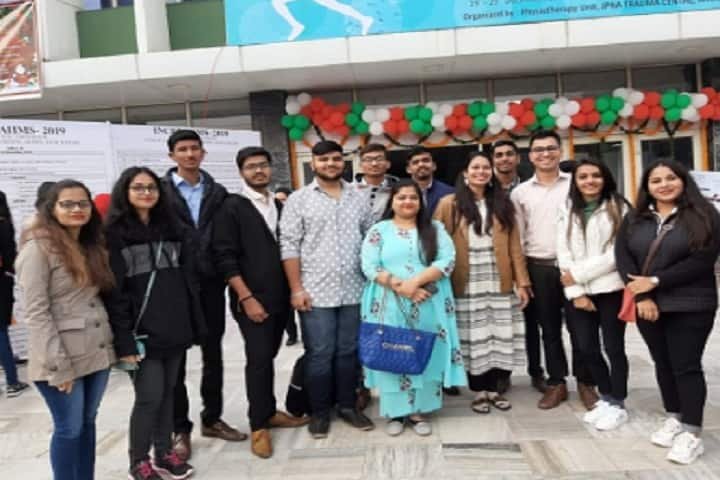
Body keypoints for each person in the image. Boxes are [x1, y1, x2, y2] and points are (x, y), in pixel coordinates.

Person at [615, 159, 720, 465]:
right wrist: (643, 294)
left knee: (685, 365)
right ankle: (674, 416)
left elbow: (702, 260)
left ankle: (692, 432)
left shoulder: (705, 214)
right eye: (656, 180)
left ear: (683, 180)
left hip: (692, 303)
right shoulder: (635, 218)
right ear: (647, 187)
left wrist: (656, 281)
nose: (664, 185)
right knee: (662, 362)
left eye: (670, 178)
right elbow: (623, 257)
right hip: (649, 304)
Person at [104, 167, 202, 480]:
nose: (146, 193)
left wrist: (192, 324)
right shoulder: (113, 234)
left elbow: (188, 280)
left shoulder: (172, 228)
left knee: (169, 393)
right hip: (140, 331)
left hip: (174, 325)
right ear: (125, 192)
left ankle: (164, 453)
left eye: (151, 187)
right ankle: (138, 460)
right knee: (149, 397)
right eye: (138, 187)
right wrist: (123, 338)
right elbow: (114, 292)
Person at [15, 180, 116, 480]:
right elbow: (36, 312)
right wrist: (58, 365)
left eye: (82, 203)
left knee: (87, 423)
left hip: (95, 351)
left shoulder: (89, 244)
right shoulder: (38, 248)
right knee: (69, 429)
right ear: (52, 208)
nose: (76, 209)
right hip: (60, 358)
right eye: (67, 204)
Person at [213, 147, 309, 459]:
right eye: (251, 166)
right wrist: (246, 297)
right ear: (241, 171)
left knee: (269, 355)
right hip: (252, 299)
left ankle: (269, 411)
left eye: (263, 165)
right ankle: (258, 425)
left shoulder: (280, 205)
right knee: (258, 359)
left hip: (281, 297)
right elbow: (224, 257)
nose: (258, 171)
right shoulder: (231, 207)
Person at [280, 140, 375, 439]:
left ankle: (347, 406)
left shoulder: (359, 197)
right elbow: (289, 245)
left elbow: (370, 240)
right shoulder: (298, 200)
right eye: (323, 160)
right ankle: (319, 412)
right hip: (315, 292)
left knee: (348, 351)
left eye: (335, 159)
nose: (330, 164)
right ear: (313, 164)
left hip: (354, 290)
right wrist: (296, 289)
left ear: (343, 162)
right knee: (320, 353)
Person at [162, 130, 243, 460]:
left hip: (211, 283)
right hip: (174, 284)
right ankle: (179, 428)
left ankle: (212, 418)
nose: (190, 154)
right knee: (176, 361)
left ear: (203, 153)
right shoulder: (161, 192)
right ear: (172, 155)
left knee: (213, 354)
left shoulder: (217, 191)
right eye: (182, 149)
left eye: (195, 148)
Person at [361, 179, 465, 435]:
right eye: (401, 197)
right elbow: (369, 265)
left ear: (421, 202)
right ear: (392, 201)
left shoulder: (435, 228)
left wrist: (414, 283)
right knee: (392, 349)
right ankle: (395, 412)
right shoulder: (379, 230)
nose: (407, 202)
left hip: (427, 301)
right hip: (388, 302)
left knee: (425, 350)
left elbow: (447, 260)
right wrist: (400, 286)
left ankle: (420, 411)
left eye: (413, 197)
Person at [434, 152, 530, 414]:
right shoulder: (449, 203)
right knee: (473, 338)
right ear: (465, 173)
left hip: (499, 280)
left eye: (486, 167)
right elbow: (435, 241)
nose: (481, 172)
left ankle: (496, 389)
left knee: (500, 336)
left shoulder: (502, 202)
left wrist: (522, 282)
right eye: (475, 167)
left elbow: (514, 246)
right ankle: (478, 391)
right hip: (466, 282)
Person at [510, 130, 597, 410]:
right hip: (540, 267)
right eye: (538, 150)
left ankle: (586, 383)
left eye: (550, 148)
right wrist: (521, 278)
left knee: (581, 328)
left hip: (575, 269)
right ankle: (556, 382)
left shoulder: (576, 183)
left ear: (560, 152)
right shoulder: (520, 193)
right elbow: (517, 237)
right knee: (548, 329)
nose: (545, 154)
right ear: (530, 156)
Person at [556, 159, 630, 431]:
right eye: (583, 177)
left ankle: (618, 401)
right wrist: (576, 291)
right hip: (578, 292)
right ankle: (606, 396)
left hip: (611, 288)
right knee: (586, 347)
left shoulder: (620, 207)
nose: (589, 181)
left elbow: (617, 253)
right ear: (575, 182)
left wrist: (579, 275)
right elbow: (562, 251)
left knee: (614, 348)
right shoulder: (567, 208)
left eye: (595, 175)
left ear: (605, 177)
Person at [0, 191, 29, 398]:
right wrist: (11, 272)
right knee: (1, 330)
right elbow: (10, 254)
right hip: (1, 281)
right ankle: (12, 381)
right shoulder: (3, 224)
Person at [273, 186, 299, 346]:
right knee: (287, 306)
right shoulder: (272, 218)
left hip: (296, 268)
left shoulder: (296, 216)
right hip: (280, 269)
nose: (281, 203)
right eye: (278, 200)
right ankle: (292, 334)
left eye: (283, 199)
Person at [354, 143, 399, 219]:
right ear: (360, 165)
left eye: (379, 159)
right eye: (368, 160)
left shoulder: (398, 190)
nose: (374, 164)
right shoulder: (348, 190)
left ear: (388, 164)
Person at [406, 146, 454, 216]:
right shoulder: (400, 194)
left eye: (426, 160)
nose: (421, 164)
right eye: (415, 162)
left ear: (434, 166)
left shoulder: (449, 193)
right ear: (408, 169)